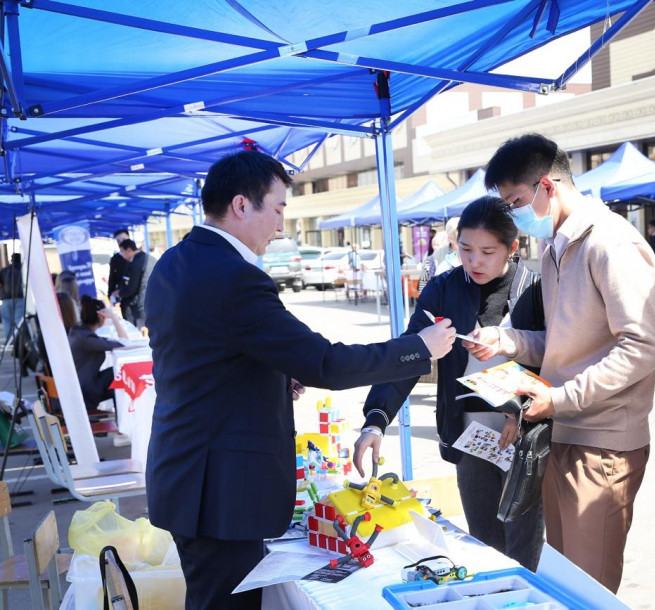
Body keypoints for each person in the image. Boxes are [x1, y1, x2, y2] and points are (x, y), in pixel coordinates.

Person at [144, 150, 456, 610]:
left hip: (187, 473)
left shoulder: (175, 262)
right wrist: (419, 348)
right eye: (278, 208)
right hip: (220, 491)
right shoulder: (235, 278)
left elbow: (203, 358)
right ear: (241, 206)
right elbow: (325, 363)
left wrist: (270, 374)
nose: (281, 224)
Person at [465, 133, 655, 592]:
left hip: (602, 442)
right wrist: (507, 340)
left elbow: (643, 346)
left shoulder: (610, 244)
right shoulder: (556, 245)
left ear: (547, 187)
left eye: (516, 201)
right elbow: (565, 343)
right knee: (563, 582)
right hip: (561, 430)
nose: (513, 215)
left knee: (588, 587)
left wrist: (560, 397)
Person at [354, 196, 546, 570]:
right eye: (465, 249)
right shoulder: (443, 289)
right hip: (469, 433)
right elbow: (408, 355)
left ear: (513, 248)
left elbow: (554, 358)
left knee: (524, 547)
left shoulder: (533, 290)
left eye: (488, 251)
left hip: (524, 437)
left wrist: (519, 410)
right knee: (482, 543)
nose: (474, 261)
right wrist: (376, 419)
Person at [69, 296, 128, 411]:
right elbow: (125, 344)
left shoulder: (77, 331)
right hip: (85, 392)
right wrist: (115, 319)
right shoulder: (87, 339)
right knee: (121, 375)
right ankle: (124, 422)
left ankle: (122, 421)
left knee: (117, 374)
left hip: (78, 386)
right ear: (101, 316)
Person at [118, 239, 156, 328]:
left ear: (129, 250)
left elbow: (132, 288)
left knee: (143, 333)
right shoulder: (151, 259)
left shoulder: (135, 264)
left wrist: (120, 293)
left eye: (122, 252)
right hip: (155, 302)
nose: (122, 255)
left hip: (142, 305)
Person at [0, 253, 25, 343]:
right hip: (20, 298)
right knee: (19, 321)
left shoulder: (4, 270)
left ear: (11, 260)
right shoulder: (24, 269)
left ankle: (9, 341)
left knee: (7, 321)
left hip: (5, 300)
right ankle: (18, 341)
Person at [107, 228, 130, 302]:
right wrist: (110, 295)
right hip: (124, 299)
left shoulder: (139, 257)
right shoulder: (115, 259)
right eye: (118, 241)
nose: (121, 243)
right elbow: (112, 278)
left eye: (124, 239)